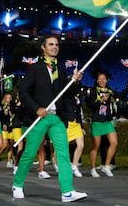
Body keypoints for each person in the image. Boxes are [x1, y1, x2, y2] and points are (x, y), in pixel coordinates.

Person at [12, 35, 87, 202]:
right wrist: (36, 108)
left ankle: (67, 191)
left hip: (56, 118)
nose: (55, 47)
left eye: (57, 45)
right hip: (39, 118)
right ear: (43, 48)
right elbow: (23, 93)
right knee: (30, 152)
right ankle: (17, 184)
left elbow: (66, 94)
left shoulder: (60, 68)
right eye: (51, 44)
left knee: (63, 153)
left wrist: (75, 82)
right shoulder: (34, 68)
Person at [86, 71, 128, 178]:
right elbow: (91, 105)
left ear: (107, 80)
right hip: (97, 121)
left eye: (104, 79)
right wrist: (101, 100)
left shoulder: (109, 91)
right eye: (100, 79)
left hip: (107, 121)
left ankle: (106, 165)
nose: (102, 80)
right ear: (97, 81)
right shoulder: (93, 91)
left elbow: (121, 95)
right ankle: (93, 169)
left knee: (114, 142)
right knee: (96, 146)